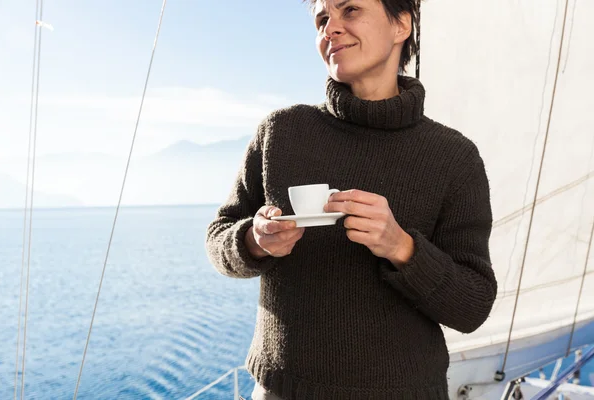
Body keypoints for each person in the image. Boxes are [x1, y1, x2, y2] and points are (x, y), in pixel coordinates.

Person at [205, 0, 497, 398]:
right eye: (322, 19)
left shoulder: (454, 157)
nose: (331, 29)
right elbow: (219, 238)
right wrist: (254, 241)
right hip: (282, 390)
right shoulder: (281, 131)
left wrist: (402, 248)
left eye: (350, 10)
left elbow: (472, 306)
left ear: (401, 25)